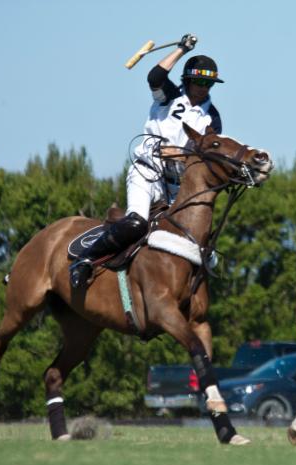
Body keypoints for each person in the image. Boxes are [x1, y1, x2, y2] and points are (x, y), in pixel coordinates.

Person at [70, 34, 224, 289]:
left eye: (208, 83)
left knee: (199, 243)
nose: (203, 88)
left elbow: (205, 155)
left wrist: (180, 155)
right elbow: (155, 76)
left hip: (177, 185)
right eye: (198, 81)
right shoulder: (169, 95)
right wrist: (181, 50)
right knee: (136, 223)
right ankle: (84, 260)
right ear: (187, 80)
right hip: (147, 173)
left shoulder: (213, 117)